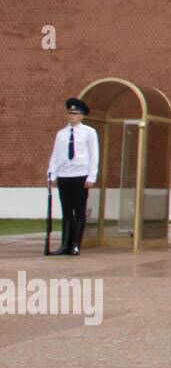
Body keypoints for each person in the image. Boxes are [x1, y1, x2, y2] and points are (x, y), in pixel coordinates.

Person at [47, 97, 98, 256]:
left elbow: (94, 154)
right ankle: (65, 244)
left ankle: (76, 244)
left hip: (80, 175)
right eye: (70, 113)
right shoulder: (61, 133)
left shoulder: (89, 132)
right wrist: (51, 173)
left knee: (79, 211)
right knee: (67, 211)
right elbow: (56, 154)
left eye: (75, 113)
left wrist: (91, 177)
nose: (71, 116)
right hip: (64, 175)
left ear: (82, 116)